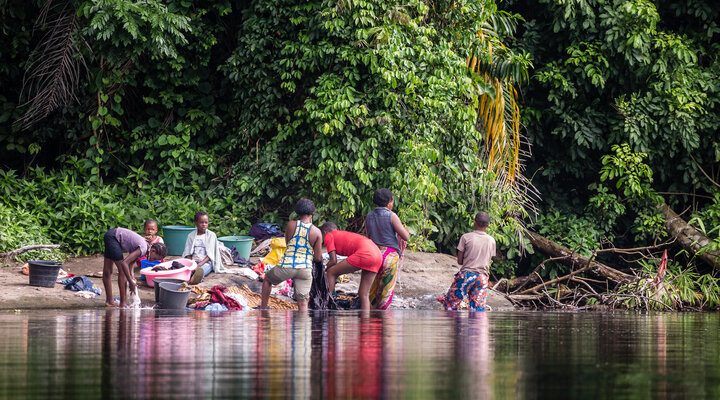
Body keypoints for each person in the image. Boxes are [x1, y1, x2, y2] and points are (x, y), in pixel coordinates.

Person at [261, 198, 322, 311]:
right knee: (303, 303)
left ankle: (263, 309)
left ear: (297, 212)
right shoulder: (317, 232)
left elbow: (288, 243)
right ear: (312, 214)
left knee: (267, 280)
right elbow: (318, 258)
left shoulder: (291, 225)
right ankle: (303, 327)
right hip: (305, 269)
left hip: (287, 266)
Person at [438, 212, 496, 311]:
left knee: (450, 305)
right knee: (478, 310)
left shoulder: (466, 237)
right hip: (482, 278)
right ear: (488, 225)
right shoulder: (491, 240)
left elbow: (460, 261)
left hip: (467, 276)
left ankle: (456, 325)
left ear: (474, 222)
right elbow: (488, 259)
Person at [321, 222, 382, 311]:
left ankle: (325, 304)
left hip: (365, 254)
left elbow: (333, 261)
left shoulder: (329, 235)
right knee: (363, 294)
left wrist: (323, 268)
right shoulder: (342, 234)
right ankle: (366, 322)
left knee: (331, 272)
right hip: (377, 255)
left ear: (325, 232)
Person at [365, 188, 410, 309]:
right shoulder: (391, 215)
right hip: (388, 257)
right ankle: (384, 320)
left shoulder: (369, 216)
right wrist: (405, 230)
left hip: (372, 254)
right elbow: (406, 236)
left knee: (372, 289)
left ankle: (370, 318)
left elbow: (368, 235)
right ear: (390, 202)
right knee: (385, 292)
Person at [103, 227, 167, 307]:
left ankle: (109, 301)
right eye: (153, 258)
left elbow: (131, 261)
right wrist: (130, 282)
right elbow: (124, 263)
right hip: (114, 237)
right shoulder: (144, 248)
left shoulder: (147, 246)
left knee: (108, 271)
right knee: (122, 271)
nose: (151, 261)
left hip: (111, 234)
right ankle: (123, 303)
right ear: (153, 251)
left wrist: (132, 276)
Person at [183, 211, 225, 284]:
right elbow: (188, 252)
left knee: (202, 270)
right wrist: (191, 264)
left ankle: (195, 278)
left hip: (206, 262)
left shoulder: (211, 235)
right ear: (195, 223)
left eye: (206, 222)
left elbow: (210, 255)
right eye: (201, 222)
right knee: (185, 269)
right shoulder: (191, 235)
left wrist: (199, 265)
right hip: (194, 261)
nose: (204, 225)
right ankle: (190, 276)